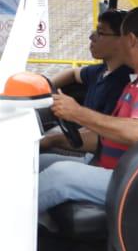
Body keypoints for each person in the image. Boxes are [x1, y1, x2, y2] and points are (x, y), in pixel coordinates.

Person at [37, 7, 138, 215]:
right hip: (127, 169)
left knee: (60, 175)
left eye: (121, 37)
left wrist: (76, 113)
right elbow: (110, 137)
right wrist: (57, 137)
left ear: (131, 40)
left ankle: (4, 231)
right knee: (38, 163)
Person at [39, 10, 131, 152]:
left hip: (92, 152)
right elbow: (73, 73)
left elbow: (99, 139)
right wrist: (43, 87)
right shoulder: (101, 71)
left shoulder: (123, 84)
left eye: (100, 33)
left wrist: (52, 141)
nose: (91, 37)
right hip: (79, 135)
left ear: (122, 40)